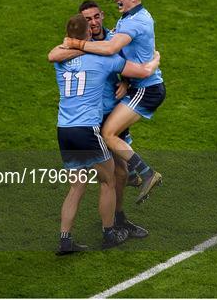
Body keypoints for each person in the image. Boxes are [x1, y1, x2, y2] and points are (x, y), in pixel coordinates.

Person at [54, 14, 160, 255]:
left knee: (77, 187)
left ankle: (65, 239)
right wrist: (155, 60)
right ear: (88, 35)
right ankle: (109, 233)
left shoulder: (60, 61)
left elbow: (55, 53)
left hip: (64, 131)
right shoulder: (103, 60)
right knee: (109, 180)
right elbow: (142, 72)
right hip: (87, 132)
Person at [63, 0, 165, 204]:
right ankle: (130, 174)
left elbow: (111, 50)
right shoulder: (129, 17)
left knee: (108, 133)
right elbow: (126, 55)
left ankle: (147, 174)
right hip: (137, 86)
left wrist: (75, 44)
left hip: (146, 89)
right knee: (113, 135)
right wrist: (128, 79)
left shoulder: (135, 22)